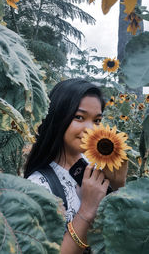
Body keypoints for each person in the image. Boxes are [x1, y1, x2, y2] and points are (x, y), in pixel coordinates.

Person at [24, 78, 128, 254]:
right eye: (79, 117)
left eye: (97, 120)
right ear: (58, 118)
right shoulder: (38, 186)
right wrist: (86, 210)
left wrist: (118, 186)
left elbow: (119, 233)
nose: (90, 128)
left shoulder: (95, 166)